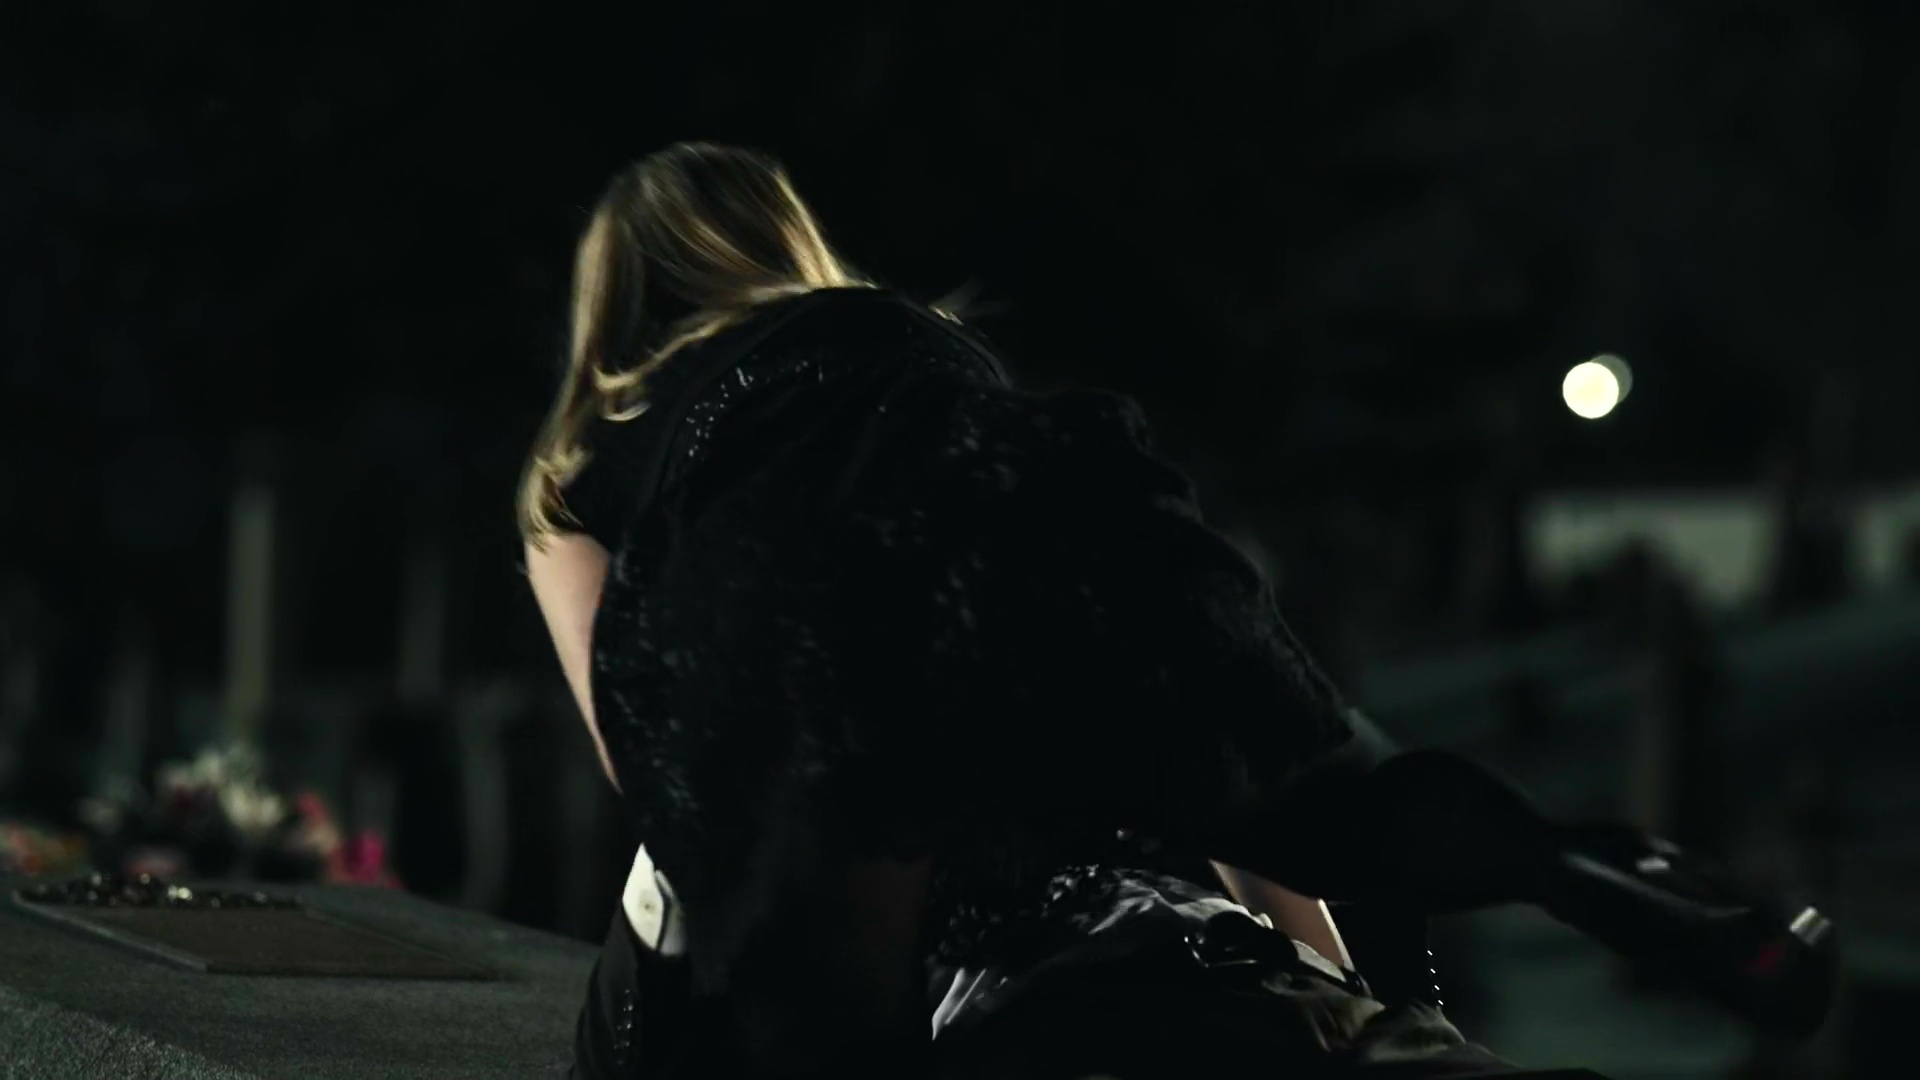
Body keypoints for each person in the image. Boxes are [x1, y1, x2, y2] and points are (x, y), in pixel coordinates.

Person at [519, 143, 1563, 1079]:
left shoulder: (580, 465)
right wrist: (1335, 965)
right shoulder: (920, 356)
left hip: (847, 867)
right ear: (784, 241)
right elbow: (1179, 685)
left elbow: (640, 755)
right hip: (1062, 830)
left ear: (613, 296)